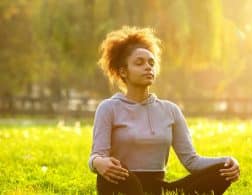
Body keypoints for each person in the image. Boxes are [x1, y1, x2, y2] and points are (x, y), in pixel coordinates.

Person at [88, 26, 240, 195]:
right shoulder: (108, 108)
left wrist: (228, 161)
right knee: (123, 178)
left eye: (151, 63)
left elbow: (192, 161)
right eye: (139, 63)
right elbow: (97, 156)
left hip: (157, 189)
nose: (148, 67)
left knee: (221, 171)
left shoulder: (170, 110)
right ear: (123, 71)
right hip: (121, 185)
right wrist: (97, 163)